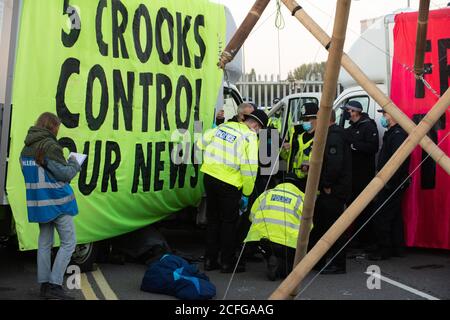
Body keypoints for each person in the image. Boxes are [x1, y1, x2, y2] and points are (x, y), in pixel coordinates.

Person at [197, 109, 269, 273]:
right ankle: (227, 263)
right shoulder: (249, 137)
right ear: (257, 126)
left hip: (209, 177)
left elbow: (201, 143)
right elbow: (249, 168)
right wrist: (246, 193)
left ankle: (209, 260)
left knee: (213, 220)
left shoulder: (224, 127)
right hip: (229, 184)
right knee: (228, 223)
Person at [20, 112, 81, 300]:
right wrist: (74, 162)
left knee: (44, 243)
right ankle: (55, 285)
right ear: (52, 126)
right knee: (69, 243)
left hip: (40, 203)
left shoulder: (25, 148)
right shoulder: (50, 146)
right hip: (58, 202)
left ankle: (44, 286)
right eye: (57, 127)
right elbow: (65, 174)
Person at [308, 110, 352, 274]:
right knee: (321, 224)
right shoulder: (332, 134)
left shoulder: (334, 136)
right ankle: (320, 260)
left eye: (317, 118)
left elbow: (334, 164)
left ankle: (337, 263)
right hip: (332, 188)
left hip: (334, 190)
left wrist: (327, 184)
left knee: (333, 227)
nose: (314, 122)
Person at [244, 174, 304, 280]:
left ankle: (272, 257)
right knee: (288, 271)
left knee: (270, 249)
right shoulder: (301, 198)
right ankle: (279, 265)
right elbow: (308, 226)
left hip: (263, 241)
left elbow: (251, 216)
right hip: (288, 244)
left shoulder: (267, 194)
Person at [369, 110, 410, 261]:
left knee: (383, 215)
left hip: (392, 182)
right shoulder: (392, 133)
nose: (383, 117)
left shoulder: (398, 134)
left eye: (385, 114)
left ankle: (384, 249)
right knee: (394, 216)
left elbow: (398, 162)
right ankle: (397, 247)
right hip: (391, 181)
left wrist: (388, 183)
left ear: (393, 116)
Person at [342, 100, 379, 248]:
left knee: (364, 209)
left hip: (363, 175)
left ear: (354, 111)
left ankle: (365, 241)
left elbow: (372, 147)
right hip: (352, 175)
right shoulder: (351, 127)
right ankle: (356, 238)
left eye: (348, 110)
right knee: (353, 207)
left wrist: (354, 145)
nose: (346, 113)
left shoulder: (368, 126)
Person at [281, 102, 319, 192]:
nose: (305, 122)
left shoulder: (320, 138)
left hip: (310, 183)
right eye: (303, 119)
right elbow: (288, 158)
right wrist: (283, 150)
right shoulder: (298, 137)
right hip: (294, 181)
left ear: (317, 119)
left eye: (307, 119)